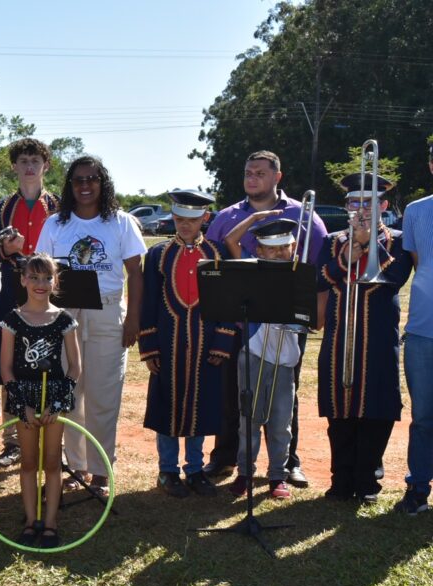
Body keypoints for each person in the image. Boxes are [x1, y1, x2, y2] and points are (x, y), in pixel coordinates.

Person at [203, 150, 328, 487]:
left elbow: (316, 271)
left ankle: (287, 464)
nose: (252, 178)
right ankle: (227, 458)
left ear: (277, 177)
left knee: (286, 397)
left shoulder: (306, 217)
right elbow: (213, 262)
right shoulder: (227, 216)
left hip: (286, 323)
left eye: (259, 172)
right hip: (237, 323)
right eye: (247, 172)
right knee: (235, 395)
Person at [36, 155, 145, 493]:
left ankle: (100, 469)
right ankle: (76, 466)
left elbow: (136, 274)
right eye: (78, 180)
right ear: (70, 186)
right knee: (69, 393)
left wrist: (133, 321)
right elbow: (41, 272)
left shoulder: (122, 222)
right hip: (64, 316)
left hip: (108, 314)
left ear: (103, 183)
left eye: (92, 179)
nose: (85, 186)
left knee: (103, 394)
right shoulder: (56, 223)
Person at [317, 173, 412, 504]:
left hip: (379, 336)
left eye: (368, 203)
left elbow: (394, 277)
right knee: (339, 406)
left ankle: (368, 478)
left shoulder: (399, 240)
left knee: (378, 405)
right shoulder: (331, 240)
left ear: (383, 205)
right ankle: (341, 478)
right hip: (339, 334)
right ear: (346, 206)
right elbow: (322, 277)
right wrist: (353, 249)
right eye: (354, 202)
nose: (360, 209)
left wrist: (369, 242)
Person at [139, 190, 234, 498]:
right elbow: (149, 301)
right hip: (167, 343)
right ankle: (167, 470)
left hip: (206, 344)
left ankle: (195, 469)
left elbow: (227, 303)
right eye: (179, 219)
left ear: (204, 219)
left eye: (192, 220)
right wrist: (150, 346)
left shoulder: (217, 253)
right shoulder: (158, 254)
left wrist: (223, 340)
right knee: (167, 407)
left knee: (201, 408)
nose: (184, 225)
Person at [0, 138, 59, 468]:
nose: (29, 166)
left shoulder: (60, 207)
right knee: (11, 363)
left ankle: (49, 436)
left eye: (35, 160)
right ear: (14, 166)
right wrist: (6, 251)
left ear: (46, 165)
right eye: (23, 160)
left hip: (51, 296)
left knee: (49, 363)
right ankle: (12, 440)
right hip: (9, 295)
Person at [0, 254, 79, 547]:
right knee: (29, 461)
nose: (40, 284)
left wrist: (56, 403)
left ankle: (50, 522)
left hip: (54, 397)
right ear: (22, 280)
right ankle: (31, 519)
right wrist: (24, 405)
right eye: (33, 277)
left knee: (52, 462)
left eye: (47, 278)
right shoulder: (11, 320)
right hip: (24, 398)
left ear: (55, 281)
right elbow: (6, 369)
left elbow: (75, 367)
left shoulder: (64, 319)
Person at [227, 219, 302, 500]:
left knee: (281, 421)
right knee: (249, 417)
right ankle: (245, 471)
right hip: (254, 353)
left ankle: (277, 475)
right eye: (272, 249)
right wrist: (256, 218)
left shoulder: (299, 275)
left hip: (285, 359)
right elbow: (232, 241)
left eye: (286, 247)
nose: (281, 253)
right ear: (259, 250)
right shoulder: (249, 271)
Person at [396, 141, 433, 515]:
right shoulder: (416, 211)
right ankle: (418, 488)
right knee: (424, 417)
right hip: (423, 332)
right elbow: (421, 264)